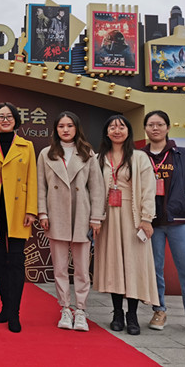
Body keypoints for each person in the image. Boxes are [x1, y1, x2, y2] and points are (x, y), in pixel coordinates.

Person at [37, 111, 105, 331]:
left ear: (77, 128)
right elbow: (41, 186)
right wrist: (42, 213)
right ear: (55, 129)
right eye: (61, 126)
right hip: (55, 214)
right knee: (59, 268)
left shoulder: (87, 153)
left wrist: (96, 218)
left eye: (69, 126)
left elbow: (96, 188)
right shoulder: (46, 154)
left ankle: (81, 310)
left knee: (82, 269)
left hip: (82, 215)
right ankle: (65, 308)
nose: (65, 130)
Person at [93, 115, 158, 335]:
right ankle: (117, 313)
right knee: (114, 265)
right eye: (112, 127)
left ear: (129, 131)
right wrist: (95, 217)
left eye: (121, 127)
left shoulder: (139, 157)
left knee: (133, 265)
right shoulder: (98, 158)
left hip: (133, 217)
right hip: (108, 217)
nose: (117, 130)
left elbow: (148, 189)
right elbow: (93, 190)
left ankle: (132, 315)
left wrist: (147, 218)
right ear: (106, 132)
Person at [142, 110, 185, 337]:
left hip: (180, 220)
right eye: (151, 124)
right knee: (154, 269)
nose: (155, 128)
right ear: (145, 129)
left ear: (167, 127)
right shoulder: (140, 156)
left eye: (159, 124)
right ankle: (159, 311)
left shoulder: (183, 155)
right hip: (151, 222)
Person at [0, 102, 37, 333]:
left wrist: (31, 210)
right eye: (0, 116)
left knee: (16, 261)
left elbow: (32, 178)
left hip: (18, 210)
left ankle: (14, 312)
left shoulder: (27, 146)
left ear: (15, 120)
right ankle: (5, 306)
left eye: (9, 116)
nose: (5, 120)